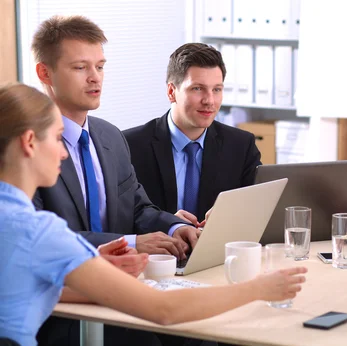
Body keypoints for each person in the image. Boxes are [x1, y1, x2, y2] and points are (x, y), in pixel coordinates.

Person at [0, 83, 307, 346]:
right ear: (29, 143)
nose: (65, 151)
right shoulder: (37, 231)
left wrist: (86, 269)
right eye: (56, 138)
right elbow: (164, 310)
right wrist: (258, 289)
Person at [29, 15, 199, 346]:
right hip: (61, 315)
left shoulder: (109, 136)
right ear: (45, 73)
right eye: (80, 68)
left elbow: (137, 206)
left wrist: (175, 228)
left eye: (100, 67)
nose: (95, 79)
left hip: (126, 304)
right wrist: (133, 242)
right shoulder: (26, 147)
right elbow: (41, 238)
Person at [124, 43, 261, 227]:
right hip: (159, 253)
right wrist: (167, 224)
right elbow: (123, 217)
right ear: (172, 92)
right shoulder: (130, 146)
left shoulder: (241, 145)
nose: (209, 101)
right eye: (197, 88)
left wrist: (230, 215)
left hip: (219, 252)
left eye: (217, 89)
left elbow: (258, 209)